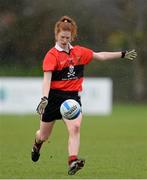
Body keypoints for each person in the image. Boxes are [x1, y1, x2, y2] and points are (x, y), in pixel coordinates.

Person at [31, 15, 137, 175]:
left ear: (72, 36)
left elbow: (100, 56)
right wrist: (44, 98)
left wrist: (122, 54)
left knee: (75, 127)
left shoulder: (79, 52)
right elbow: (47, 80)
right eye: (61, 37)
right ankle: (37, 145)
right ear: (56, 35)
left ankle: (72, 161)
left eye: (67, 37)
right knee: (43, 135)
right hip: (53, 98)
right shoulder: (51, 55)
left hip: (72, 98)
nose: (64, 40)